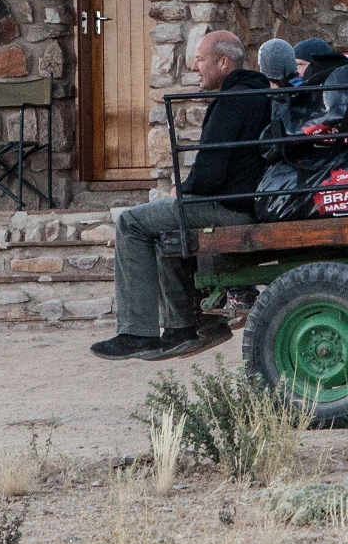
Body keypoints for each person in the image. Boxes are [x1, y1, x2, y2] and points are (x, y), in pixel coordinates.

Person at [95, 31, 272, 361]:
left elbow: (210, 172)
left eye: (200, 59)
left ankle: (136, 333)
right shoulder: (257, 93)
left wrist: (183, 189)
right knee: (165, 229)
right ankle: (183, 330)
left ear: (223, 62)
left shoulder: (234, 101)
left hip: (232, 210)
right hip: (245, 203)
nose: (194, 66)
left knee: (132, 223)